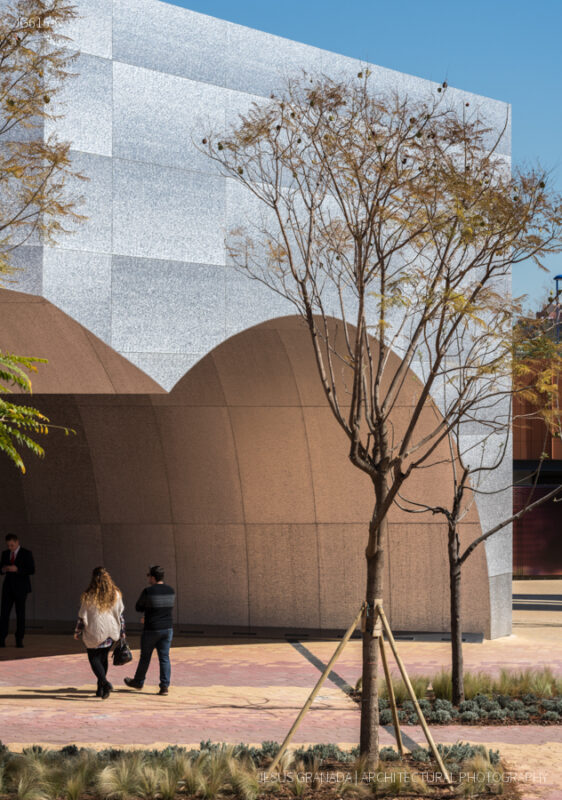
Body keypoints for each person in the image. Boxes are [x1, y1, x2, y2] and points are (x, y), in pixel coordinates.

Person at [74, 566, 125, 699]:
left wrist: (77, 631)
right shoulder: (116, 594)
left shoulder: (88, 596)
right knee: (103, 659)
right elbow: (120, 615)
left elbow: (82, 616)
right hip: (111, 632)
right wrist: (123, 632)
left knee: (94, 659)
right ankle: (101, 690)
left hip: (94, 632)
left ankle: (105, 683)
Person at [123, 565, 175, 695]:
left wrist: (147, 615)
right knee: (164, 657)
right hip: (167, 628)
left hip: (151, 629)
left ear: (152, 577)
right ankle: (164, 686)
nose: (148, 578)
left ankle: (139, 681)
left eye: (148, 576)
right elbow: (166, 608)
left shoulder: (148, 591)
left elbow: (138, 607)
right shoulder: (171, 590)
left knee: (145, 657)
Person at [0, 534, 35, 648]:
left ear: (17, 542)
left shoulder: (26, 553)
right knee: (4, 614)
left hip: (21, 588)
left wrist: (18, 569)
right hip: (8, 588)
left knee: (20, 614)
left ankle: (19, 639)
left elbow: (31, 569)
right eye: (8, 545)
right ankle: (2, 638)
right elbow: (0, 568)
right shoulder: (5, 553)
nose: (10, 547)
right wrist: (3, 569)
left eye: (12, 545)